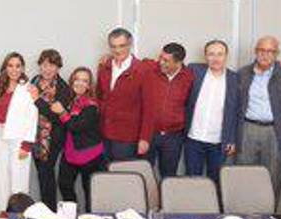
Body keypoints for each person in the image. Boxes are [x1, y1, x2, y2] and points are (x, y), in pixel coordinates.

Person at [235, 36, 281, 204]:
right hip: (248, 129)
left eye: (270, 51)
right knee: (243, 176)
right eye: (261, 50)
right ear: (255, 52)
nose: (265, 55)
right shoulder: (242, 73)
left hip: (276, 132)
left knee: (273, 177)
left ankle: (268, 215)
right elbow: (234, 105)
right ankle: (243, 214)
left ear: (277, 53)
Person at [184, 40, 240, 183]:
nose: (216, 58)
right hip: (193, 139)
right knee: (191, 180)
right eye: (211, 54)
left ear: (226, 56)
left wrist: (232, 139)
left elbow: (237, 112)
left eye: (220, 54)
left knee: (215, 182)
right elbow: (171, 66)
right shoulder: (194, 71)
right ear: (205, 56)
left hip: (219, 142)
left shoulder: (235, 79)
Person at [96, 28, 155, 161]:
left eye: (122, 46)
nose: (117, 50)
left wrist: (145, 138)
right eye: (113, 46)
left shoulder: (143, 70)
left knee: (122, 172)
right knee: (104, 170)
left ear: (130, 44)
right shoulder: (104, 67)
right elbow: (99, 97)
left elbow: (149, 108)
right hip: (104, 133)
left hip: (127, 137)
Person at [138, 42, 194, 178]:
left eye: (166, 60)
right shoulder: (149, 68)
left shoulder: (189, 77)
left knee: (169, 175)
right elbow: (128, 62)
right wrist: (109, 59)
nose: (161, 62)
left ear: (178, 62)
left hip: (173, 137)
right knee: (144, 173)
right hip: (149, 134)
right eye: (160, 58)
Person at [0, 53, 38, 210]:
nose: (14, 69)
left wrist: (27, 145)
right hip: (0, 134)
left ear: (22, 68)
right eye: (10, 65)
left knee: (18, 178)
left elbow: (32, 117)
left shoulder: (28, 89)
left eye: (18, 66)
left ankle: (19, 214)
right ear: (5, 68)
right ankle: (2, 212)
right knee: (2, 177)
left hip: (19, 138)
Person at [55, 66, 105, 210]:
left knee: (90, 192)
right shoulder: (71, 101)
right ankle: (72, 216)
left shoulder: (91, 106)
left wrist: (62, 112)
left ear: (89, 85)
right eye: (77, 79)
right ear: (72, 82)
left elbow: (75, 126)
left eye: (85, 81)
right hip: (70, 153)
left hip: (90, 155)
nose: (80, 83)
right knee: (64, 185)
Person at [29, 49, 73, 210]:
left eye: (52, 65)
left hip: (52, 138)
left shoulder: (63, 88)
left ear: (58, 68)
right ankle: (45, 210)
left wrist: (37, 100)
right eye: (44, 65)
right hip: (34, 136)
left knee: (46, 173)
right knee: (42, 174)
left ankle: (50, 210)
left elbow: (56, 116)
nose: (47, 69)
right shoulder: (34, 81)